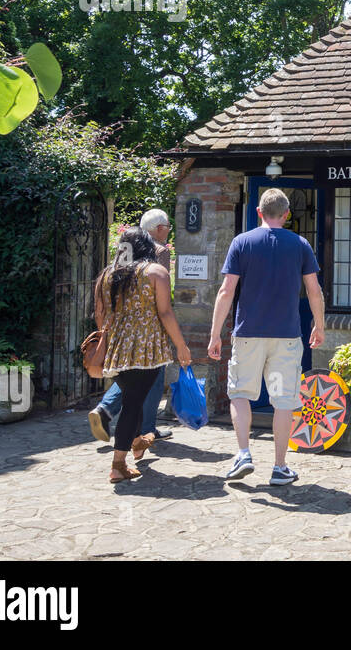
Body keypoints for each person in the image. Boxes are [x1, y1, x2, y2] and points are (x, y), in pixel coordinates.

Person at [208, 188, 325, 485]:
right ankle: (279, 467)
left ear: (259, 212)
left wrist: (215, 335)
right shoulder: (300, 244)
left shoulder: (242, 243)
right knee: (283, 401)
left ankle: (244, 453)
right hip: (285, 336)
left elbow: (226, 291)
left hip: (248, 334)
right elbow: (314, 290)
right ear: (287, 215)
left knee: (240, 393)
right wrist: (319, 324)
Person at [94, 227, 191, 483]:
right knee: (132, 403)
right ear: (145, 247)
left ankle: (138, 441)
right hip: (147, 349)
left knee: (132, 396)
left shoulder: (107, 275)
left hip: (116, 349)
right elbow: (165, 313)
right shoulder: (155, 272)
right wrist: (181, 345)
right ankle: (118, 464)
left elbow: (100, 314)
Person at [88, 208, 174, 444]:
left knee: (129, 378)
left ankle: (108, 412)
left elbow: (101, 308)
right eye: (167, 227)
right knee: (149, 380)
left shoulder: (116, 265)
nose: (168, 231)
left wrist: (106, 332)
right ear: (157, 229)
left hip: (119, 334)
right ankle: (144, 430)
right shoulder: (159, 254)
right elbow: (162, 305)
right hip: (149, 333)